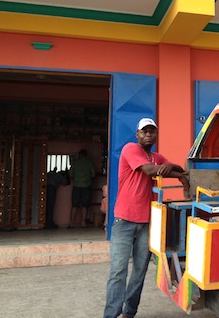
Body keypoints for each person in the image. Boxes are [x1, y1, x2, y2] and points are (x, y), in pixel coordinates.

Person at [103, 118, 189, 318]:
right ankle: (111, 315)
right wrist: (171, 170)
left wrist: (179, 174)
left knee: (140, 271)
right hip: (124, 221)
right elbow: (150, 170)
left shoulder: (156, 156)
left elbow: (177, 169)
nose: (148, 134)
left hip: (146, 223)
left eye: (152, 131)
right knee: (118, 271)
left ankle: (129, 312)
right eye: (145, 131)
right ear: (137, 134)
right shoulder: (130, 149)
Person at [69, 149, 96, 227]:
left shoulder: (75, 163)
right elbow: (93, 175)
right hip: (86, 186)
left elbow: (71, 174)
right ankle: (83, 223)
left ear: (79, 155)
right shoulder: (89, 163)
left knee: (74, 205)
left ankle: (72, 223)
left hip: (76, 186)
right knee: (85, 205)